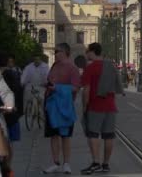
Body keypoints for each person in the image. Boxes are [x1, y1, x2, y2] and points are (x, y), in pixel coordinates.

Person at [80, 43, 123, 174]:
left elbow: (86, 90)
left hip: (95, 106)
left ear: (92, 52)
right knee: (108, 136)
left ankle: (95, 163)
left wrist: (84, 106)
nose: (86, 54)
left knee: (93, 134)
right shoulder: (111, 66)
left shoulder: (90, 68)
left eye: (87, 51)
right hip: (110, 105)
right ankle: (105, 164)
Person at [43, 43, 80, 175]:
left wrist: (57, 87)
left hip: (64, 107)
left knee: (65, 136)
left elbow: (76, 87)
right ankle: (55, 162)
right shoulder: (54, 65)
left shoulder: (72, 68)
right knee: (53, 135)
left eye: (57, 51)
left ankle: (66, 163)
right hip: (51, 104)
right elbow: (50, 80)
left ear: (65, 52)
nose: (55, 53)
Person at [0, 53, 23, 174]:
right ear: (9, 62)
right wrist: (17, 109)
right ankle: (8, 168)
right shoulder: (12, 74)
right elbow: (17, 91)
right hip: (10, 112)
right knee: (10, 142)